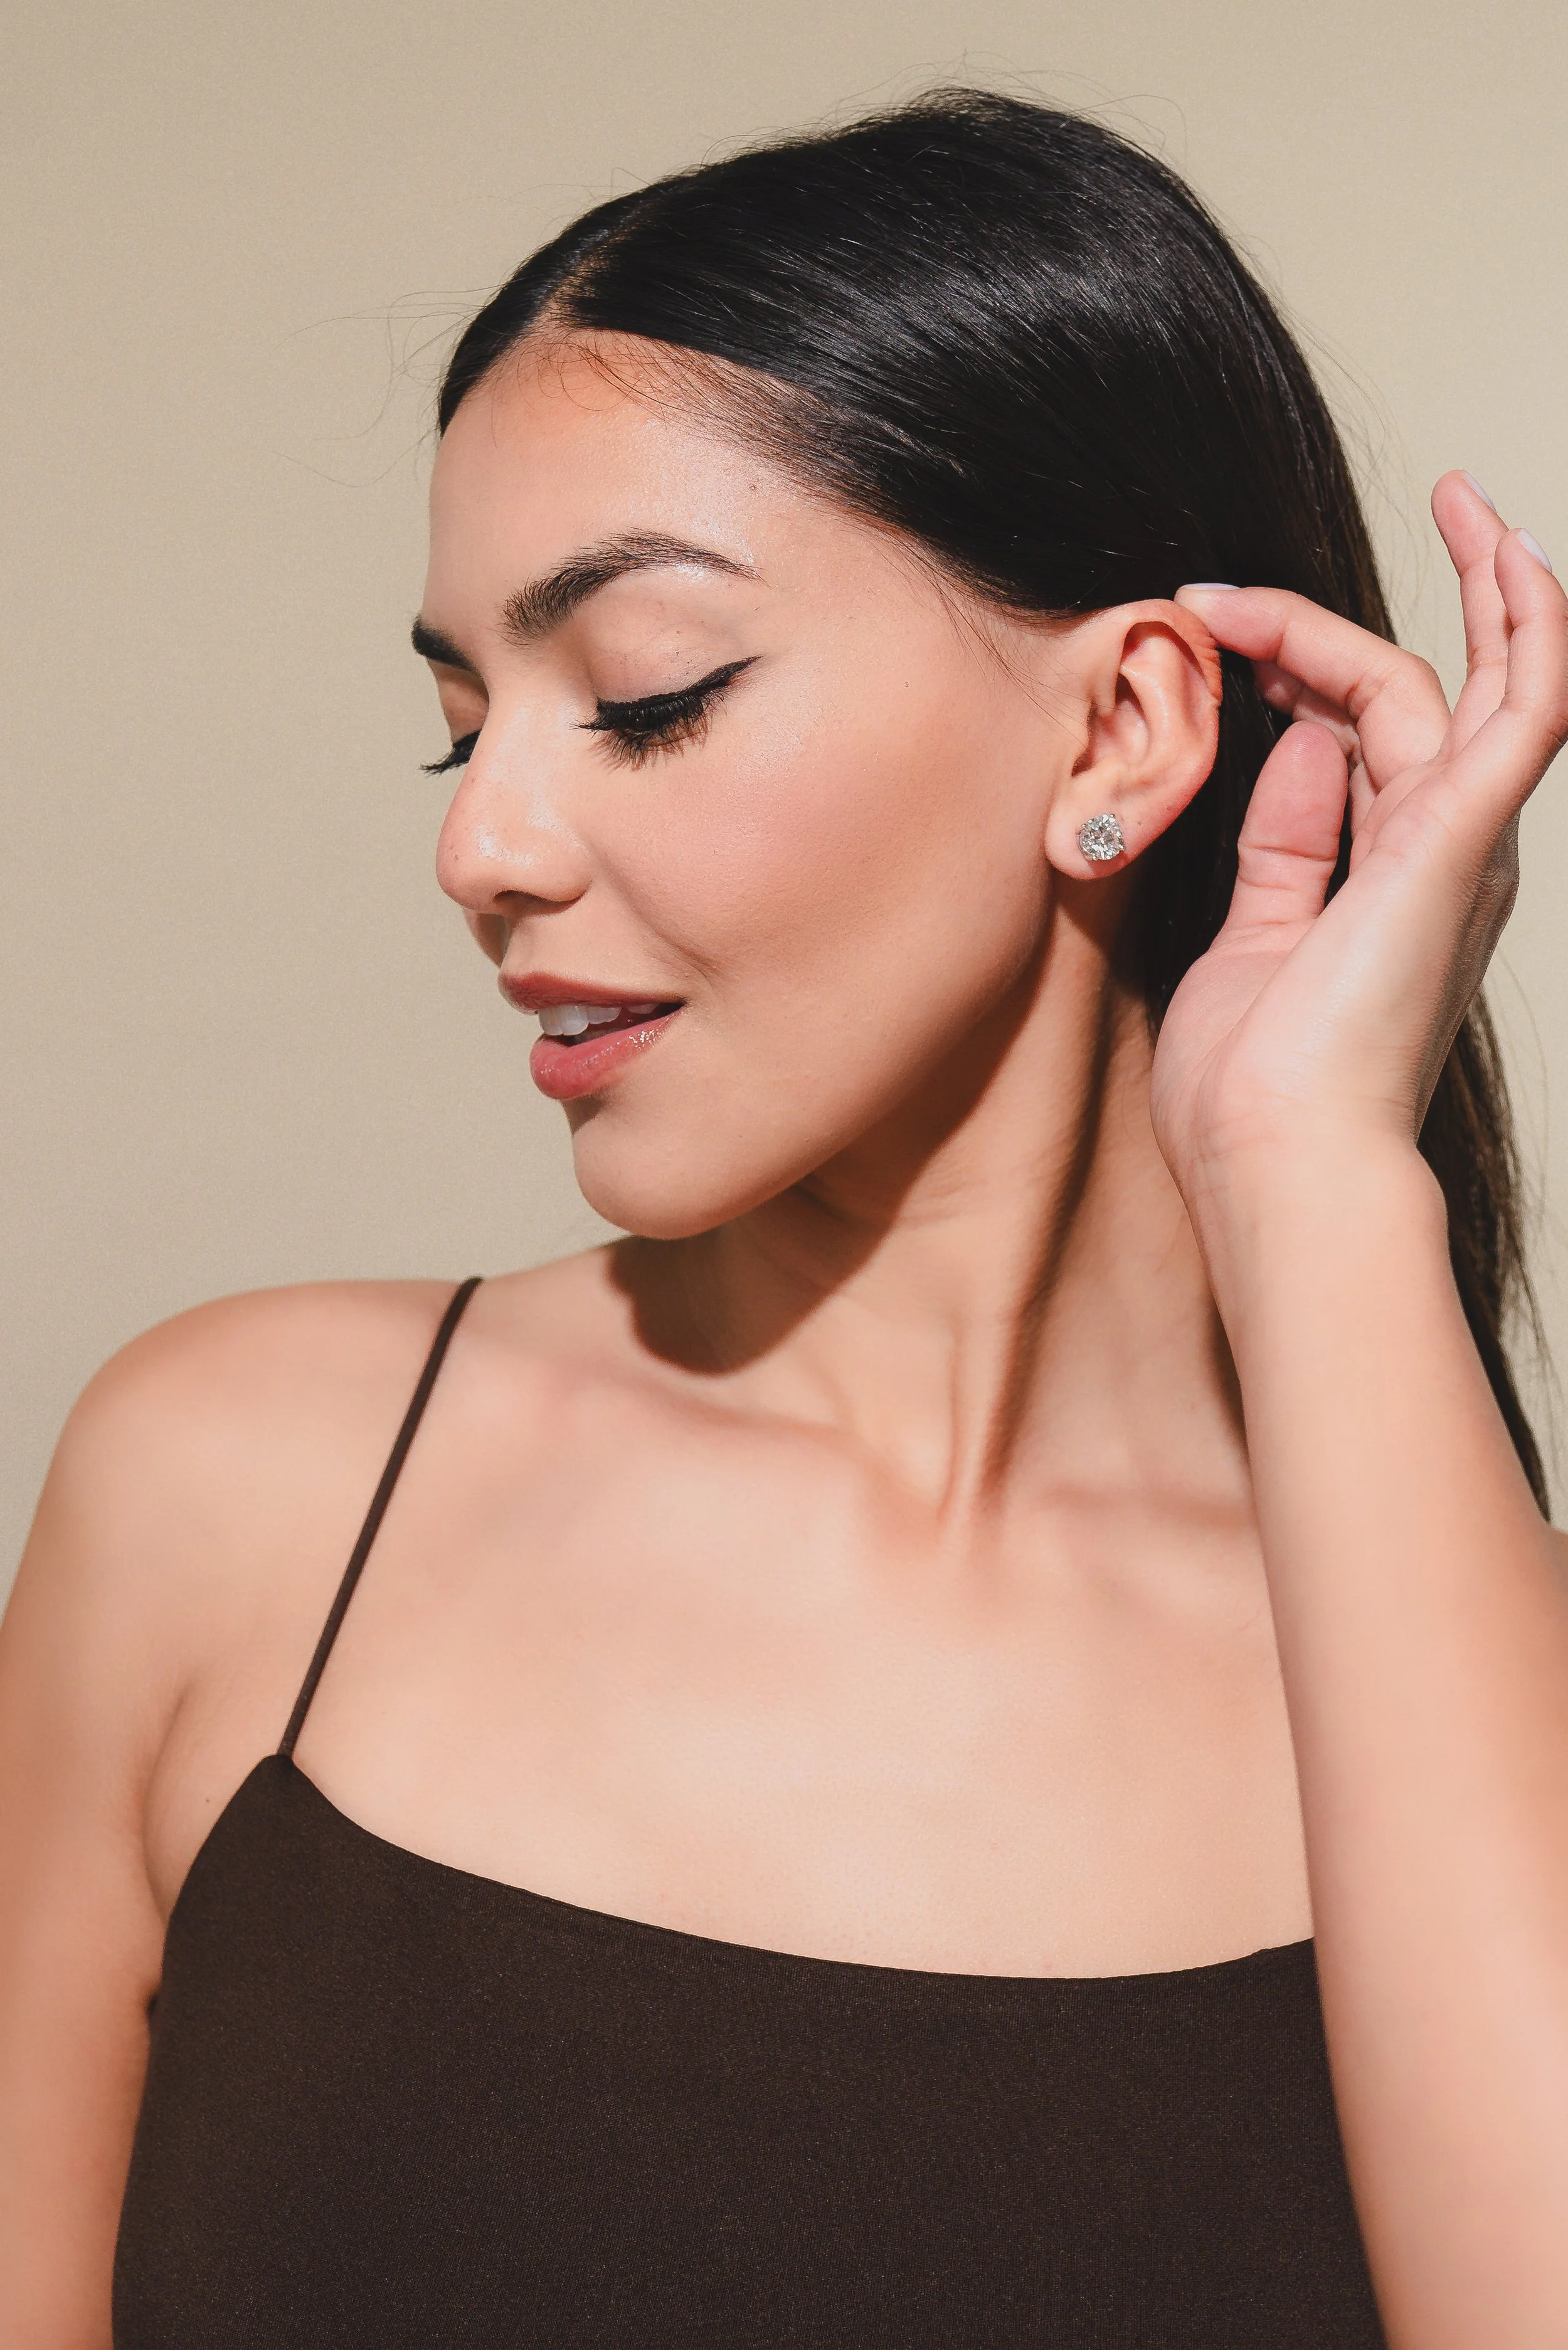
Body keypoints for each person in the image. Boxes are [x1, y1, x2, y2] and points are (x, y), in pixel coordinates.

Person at [2, 85, 1565, 2349]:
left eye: (643, 697)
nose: (483, 851)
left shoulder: (1471, 1692)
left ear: (1126, 726)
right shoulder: (232, 1488)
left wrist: (1312, 1174)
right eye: (465, 730)